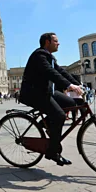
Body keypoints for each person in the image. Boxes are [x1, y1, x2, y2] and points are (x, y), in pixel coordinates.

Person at [19, 32, 83, 166]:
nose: (58, 43)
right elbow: (50, 72)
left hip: (46, 92)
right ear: (47, 42)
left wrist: (77, 84)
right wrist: (68, 85)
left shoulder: (50, 57)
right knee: (59, 116)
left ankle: (45, 123)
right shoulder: (39, 55)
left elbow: (61, 72)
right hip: (33, 93)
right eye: (56, 41)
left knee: (71, 102)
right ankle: (53, 152)